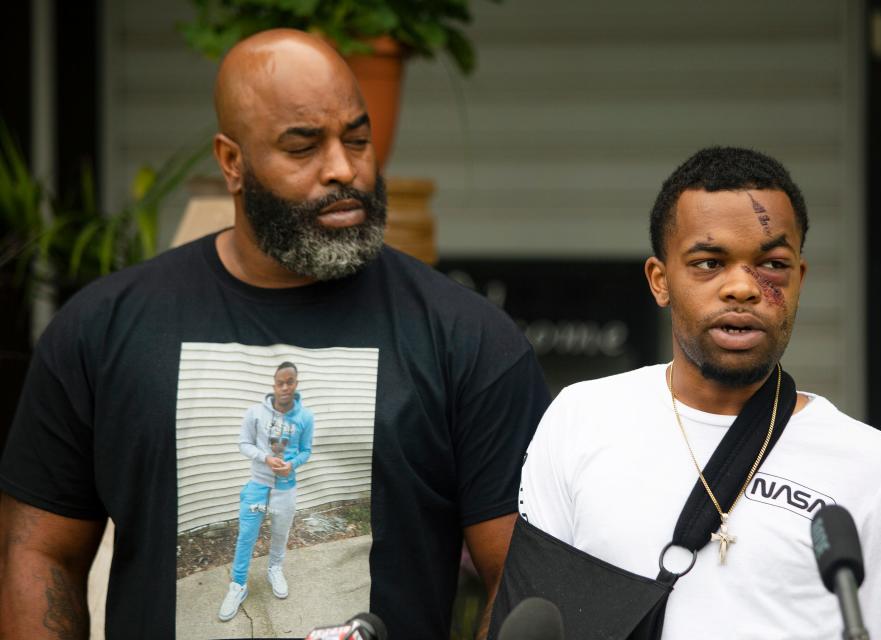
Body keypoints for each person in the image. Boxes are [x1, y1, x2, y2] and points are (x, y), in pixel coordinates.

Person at [0, 29, 550, 639]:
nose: (344, 168)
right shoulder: (102, 330)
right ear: (232, 162)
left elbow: (522, 575)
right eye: (303, 147)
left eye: (359, 139)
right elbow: (41, 553)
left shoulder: (470, 341)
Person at [507, 147, 881, 638]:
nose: (742, 287)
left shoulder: (878, 467)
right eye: (709, 263)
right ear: (660, 281)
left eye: (772, 264)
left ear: (799, 279)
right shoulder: (579, 418)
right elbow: (530, 612)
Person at [219, 361, 314, 621]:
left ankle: (275, 568)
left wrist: (291, 464)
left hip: (286, 489)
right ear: (274, 385)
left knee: (280, 534)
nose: (285, 387)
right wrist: (265, 458)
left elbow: (307, 451)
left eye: (290, 382)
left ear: (296, 384)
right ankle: (238, 585)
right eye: (280, 382)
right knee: (246, 536)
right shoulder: (254, 413)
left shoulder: (306, 417)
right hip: (257, 486)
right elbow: (243, 443)